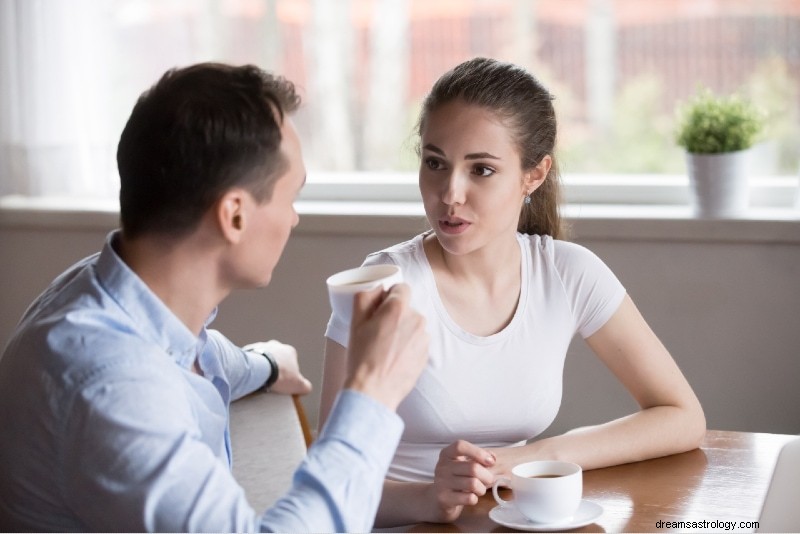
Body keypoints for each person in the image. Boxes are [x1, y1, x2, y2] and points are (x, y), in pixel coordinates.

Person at [0, 62, 429, 532]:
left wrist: (265, 364)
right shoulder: (111, 385)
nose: (293, 220)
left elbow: (195, 352)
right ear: (235, 216)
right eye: (291, 197)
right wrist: (371, 391)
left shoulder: (111, 289)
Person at [319, 57, 706, 526]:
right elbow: (332, 480)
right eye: (434, 163)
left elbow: (682, 416)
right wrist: (428, 497)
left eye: (480, 170)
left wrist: (532, 458)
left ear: (534, 175)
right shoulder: (383, 285)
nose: (449, 194)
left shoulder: (567, 272)